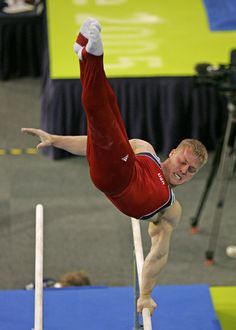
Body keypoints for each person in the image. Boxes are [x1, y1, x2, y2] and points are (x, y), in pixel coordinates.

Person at [21, 17, 208, 315]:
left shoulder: (170, 208)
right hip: (116, 165)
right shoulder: (144, 150)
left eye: (191, 170)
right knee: (107, 109)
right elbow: (93, 144)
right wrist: (54, 138)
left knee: (101, 116)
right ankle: (85, 53)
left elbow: (158, 256)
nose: (184, 170)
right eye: (183, 162)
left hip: (116, 177)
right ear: (171, 153)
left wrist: (145, 294)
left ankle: (91, 56)